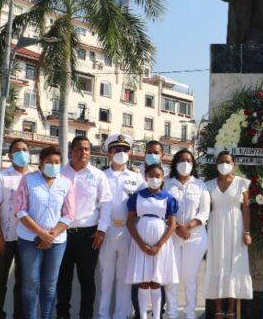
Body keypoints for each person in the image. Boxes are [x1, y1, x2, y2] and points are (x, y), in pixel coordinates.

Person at [13, 146, 76, 319]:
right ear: (41, 162)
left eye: (57, 162)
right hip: (29, 239)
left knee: (50, 284)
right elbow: (20, 210)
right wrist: (41, 233)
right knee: (30, 282)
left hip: (56, 242)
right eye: (49, 162)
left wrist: (51, 235)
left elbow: (69, 214)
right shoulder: (28, 180)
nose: (53, 165)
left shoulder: (66, 182)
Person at [57, 136, 112, 319]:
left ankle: (86, 315)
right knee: (63, 279)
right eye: (79, 149)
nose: (83, 152)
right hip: (62, 234)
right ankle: (62, 314)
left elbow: (106, 203)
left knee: (87, 280)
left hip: (88, 235)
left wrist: (101, 230)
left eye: (87, 149)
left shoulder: (98, 175)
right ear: (71, 151)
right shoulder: (60, 174)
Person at [98, 134, 144, 319]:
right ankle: (103, 315)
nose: (121, 153)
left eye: (125, 150)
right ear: (109, 153)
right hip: (106, 231)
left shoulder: (137, 178)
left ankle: (121, 315)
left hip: (128, 231)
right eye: (117, 150)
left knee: (124, 278)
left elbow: (143, 205)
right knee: (105, 277)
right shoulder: (101, 176)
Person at [204, 151, 253, 318]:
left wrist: (247, 231)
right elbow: (205, 209)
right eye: (221, 161)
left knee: (234, 264)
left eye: (227, 161)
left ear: (233, 164)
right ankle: (218, 308)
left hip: (236, 226)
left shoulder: (241, 183)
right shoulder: (208, 184)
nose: (224, 164)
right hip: (215, 226)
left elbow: (246, 209)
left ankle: (231, 309)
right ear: (216, 164)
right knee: (216, 263)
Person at [127, 164, 179, 319]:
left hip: (160, 242)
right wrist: (141, 244)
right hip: (140, 239)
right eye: (151, 175)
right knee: (143, 281)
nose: (154, 179)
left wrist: (158, 245)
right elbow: (129, 222)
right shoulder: (137, 196)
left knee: (156, 280)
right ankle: (142, 316)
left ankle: (156, 316)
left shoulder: (168, 198)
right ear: (145, 177)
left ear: (163, 178)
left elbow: (172, 224)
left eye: (158, 176)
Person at [166, 149, 210, 319]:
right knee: (172, 277)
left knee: (190, 277)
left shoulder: (201, 185)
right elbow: (162, 210)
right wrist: (177, 227)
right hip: (171, 236)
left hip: (196, 237)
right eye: (182, 160)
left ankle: (190, 313)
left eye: (189, 161)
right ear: (175, 163)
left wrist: (188, 227)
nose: (185, 164)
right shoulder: (167, 184)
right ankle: (171, 313)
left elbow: (204, 212)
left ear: (193, 165)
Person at [0, 139, 31, 319]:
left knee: (23, 282)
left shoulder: (35, 177)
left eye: (25, 149)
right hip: (5, 239)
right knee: (0, 280)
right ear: (10, 155)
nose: (22, 153)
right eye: (17, 150)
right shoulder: (2, 177)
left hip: (26, 239)